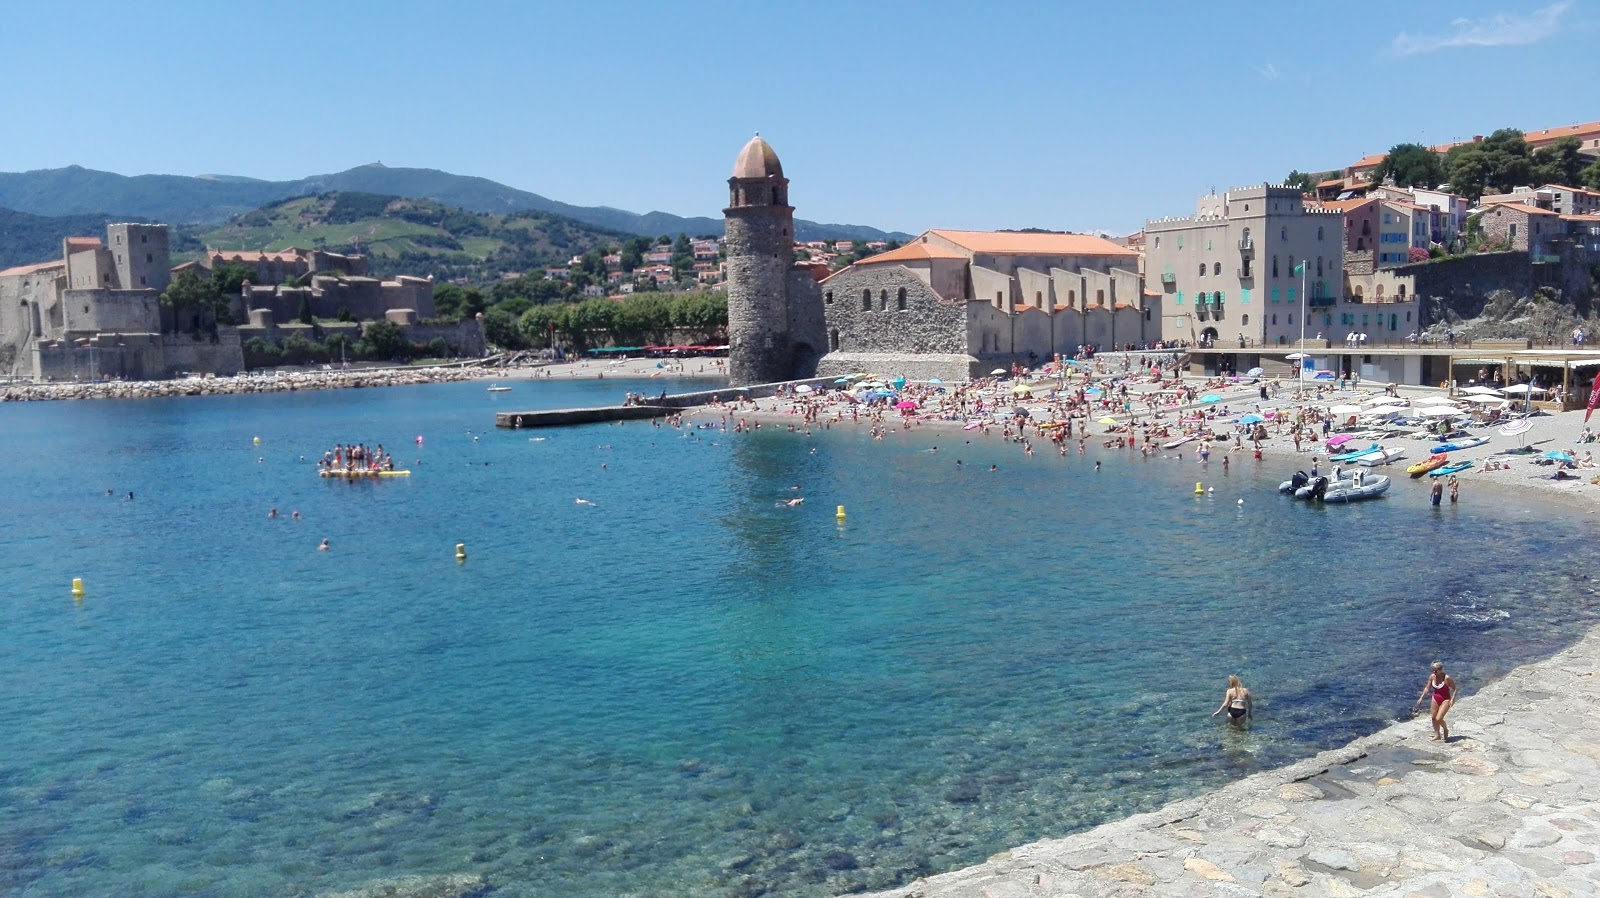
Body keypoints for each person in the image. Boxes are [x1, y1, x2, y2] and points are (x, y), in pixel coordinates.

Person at [1413, 661, 1456, 741]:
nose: (1434, 672)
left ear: (1440, 670)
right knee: (1433, 717)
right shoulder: (1432, 677)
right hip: (1436, 697)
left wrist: (1453, 699)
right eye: (1432, 670)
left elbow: (1455, 688)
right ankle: (1437, 735)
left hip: (1445, 699)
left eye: (1435, 670)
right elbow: (1427, 688)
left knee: (1438, 718)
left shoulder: (1447, 678)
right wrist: (1421, 698)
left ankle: (1445, 729)